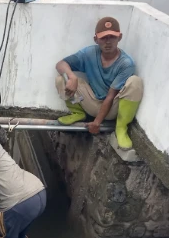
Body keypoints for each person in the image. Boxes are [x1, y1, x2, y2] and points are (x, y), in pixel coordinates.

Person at [54, 17, 144, 150]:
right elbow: (61, 64)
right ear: (96, 39)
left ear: (119, 37)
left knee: (135, 82)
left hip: (113, 107)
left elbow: (110, 96)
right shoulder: (89, 53)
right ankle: (77, 113)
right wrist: (72, 77)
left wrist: (97, 123)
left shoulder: (126, 63)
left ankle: (121, 127)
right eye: (103, 38)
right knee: (61, 79)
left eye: (112, 37)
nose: (108, 42)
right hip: (91, 101)